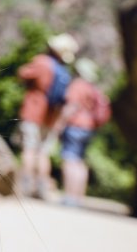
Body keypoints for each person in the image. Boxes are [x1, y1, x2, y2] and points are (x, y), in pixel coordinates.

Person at [17, 33, 79, 198]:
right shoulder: (64, 72)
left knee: (29, 149)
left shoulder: (41, 62)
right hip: (51, 117)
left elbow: (22, 73)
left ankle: (24, 186)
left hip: (33, 111)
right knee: (43, 153)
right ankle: (42, 188)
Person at [51, 58, 110, 206]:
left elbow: (71, 107)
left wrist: (59, 124)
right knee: (79, 161)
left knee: (69, 159)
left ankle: (70, 197)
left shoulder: (77, 85)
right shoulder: (92, 88)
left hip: (75, 125)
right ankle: (79, 197)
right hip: (88, 128)